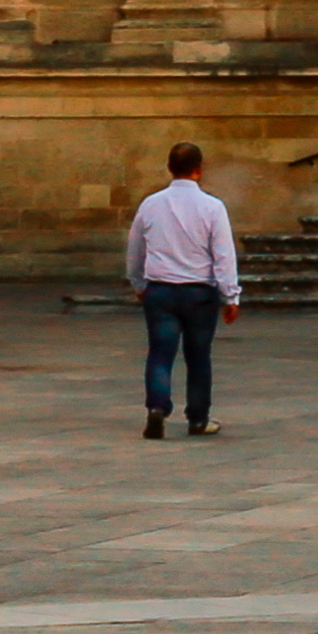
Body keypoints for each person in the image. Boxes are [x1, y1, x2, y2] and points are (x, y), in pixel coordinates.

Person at [125, 143, 243, 440]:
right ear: (199, 169)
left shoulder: (150, 204)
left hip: (161, 290)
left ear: (169, 168)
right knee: (198, 355)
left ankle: (157, 408)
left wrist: (138, 283)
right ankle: (198, 418)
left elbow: (135, 249)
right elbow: (223, 255)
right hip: (199, 293)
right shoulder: (213, 207)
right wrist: (231, 295)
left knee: (160, 353)